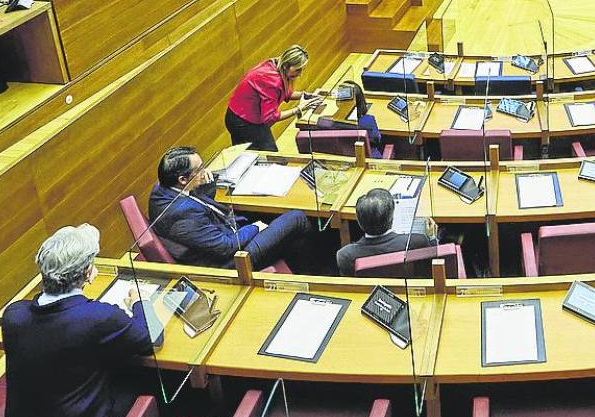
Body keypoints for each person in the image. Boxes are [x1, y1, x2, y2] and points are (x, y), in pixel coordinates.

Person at [2, 224, 163, 417]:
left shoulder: (13, 314)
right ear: (88, 272)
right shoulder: (98, 317)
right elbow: (152, 338)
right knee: (153, 378)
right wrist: (141, 301)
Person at [148, 146, 312, 270]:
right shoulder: (182, 216)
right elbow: (226, 247)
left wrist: (206, 183)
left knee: (284, 229)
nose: (204, 172)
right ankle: (322, 264)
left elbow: (200, 203)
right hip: (231, 261)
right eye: (199, 170)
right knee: (296, 217)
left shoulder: (162, 189)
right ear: (182, 179)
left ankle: (298, 256)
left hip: (225, 234)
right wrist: (255, 227)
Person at [224, 44, 321, 151]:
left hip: (238, 115)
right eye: (298, 70)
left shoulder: (276, 64)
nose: (300, 74)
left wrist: (305, 95)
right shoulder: (272, 80)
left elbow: (284, 93)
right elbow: (270, 118)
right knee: (271, 157)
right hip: (242, 122)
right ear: (286, 65)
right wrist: (299, 109)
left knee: (250, 156)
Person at [336, 188, 436, 275]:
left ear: (358, 221)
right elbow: (432, 266)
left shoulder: (345, 255)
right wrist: (432, 238)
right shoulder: (417, 241)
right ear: (392, 217)